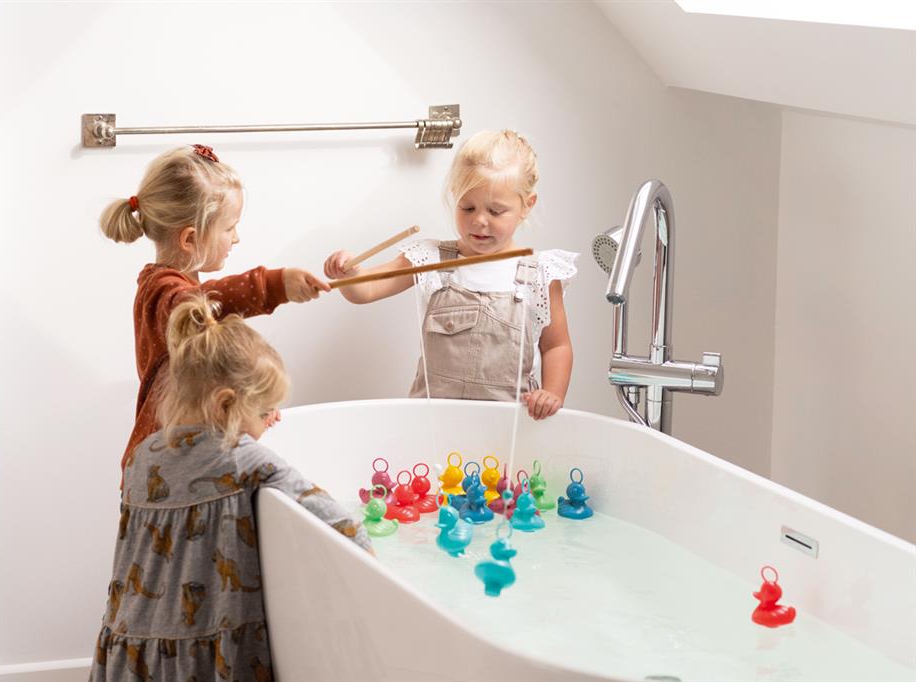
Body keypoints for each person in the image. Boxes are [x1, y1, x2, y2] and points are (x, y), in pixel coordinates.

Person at [89, 295, 371, 681]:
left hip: (129, 648)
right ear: (225, 405)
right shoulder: (242, 459)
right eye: (265, 410)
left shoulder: (141, 457)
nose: (276, 418)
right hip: (202, 658)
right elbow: (343, 526)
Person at [100, 144, 329, 471]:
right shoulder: (162, 293)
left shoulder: (176, 285)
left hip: (181, 460)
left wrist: (255, 406)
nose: (236, 238)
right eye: (229, 227)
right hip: (163, 472)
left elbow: (212, 370)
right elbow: (203, 302)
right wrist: (272, 285)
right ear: (190, 239)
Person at [324, 130, 576, 419]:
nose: (479, 220)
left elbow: (556, 345)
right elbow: (365, 290)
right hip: (434, 424)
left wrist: (552, 393)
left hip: (510, 426)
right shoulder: (431, 258)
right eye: (467, 207)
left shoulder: (540, 273)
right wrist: (350, 273)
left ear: (526, 206)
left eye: (496, 211)